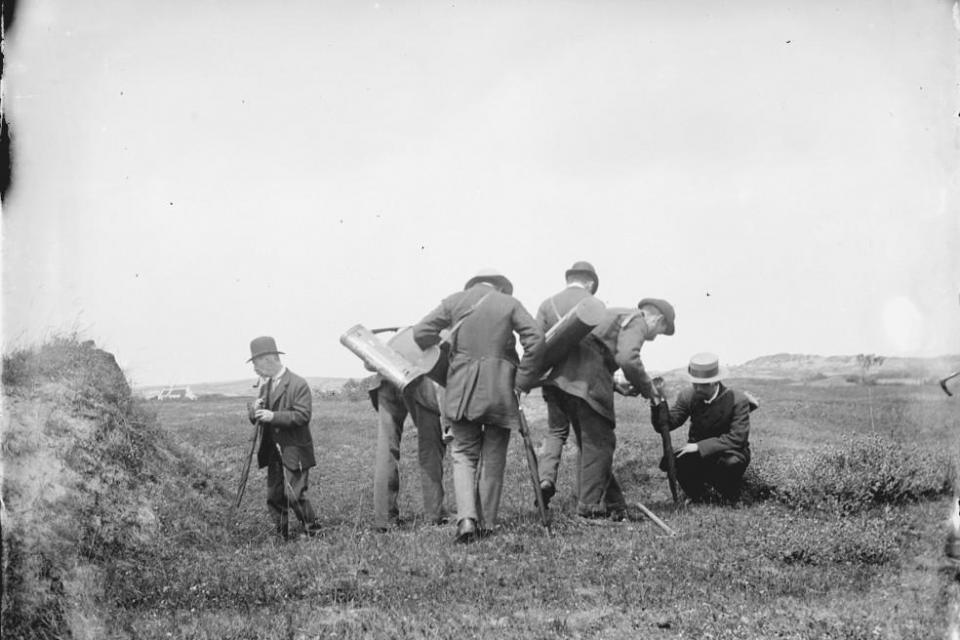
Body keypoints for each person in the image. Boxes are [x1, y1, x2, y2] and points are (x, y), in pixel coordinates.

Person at [412, 268, 545, 543]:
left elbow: (421, 332)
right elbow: (536, 339)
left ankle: (466, 521)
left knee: (462, 454)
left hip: (461, 389)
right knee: (494, 454)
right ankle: (487, 523)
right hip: (501, 389)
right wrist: (521, 379)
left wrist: (447, 354)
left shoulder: (454, 301)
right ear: (500, 286)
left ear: (472, 284)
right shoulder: (510, 303)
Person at [548, 298, 676, 520]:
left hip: (564, 380)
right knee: (600, 445)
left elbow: (595, 351)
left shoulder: (617, 314)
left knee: (593, 445)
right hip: (587, 382)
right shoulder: (638, 320)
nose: (655, 337)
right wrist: (648, 389)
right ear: (658, 318)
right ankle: (589, 510)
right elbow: (627, 358)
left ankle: (616, 506)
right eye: (661, 330)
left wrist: (617, 386)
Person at [535, 260, 600, 509]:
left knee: (555, 432)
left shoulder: (546, 304)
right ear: (590, 282)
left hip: (552, 381)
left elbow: (536, 343)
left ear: (568, 279)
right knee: (587, 437)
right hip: (584, 383)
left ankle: (546, 479)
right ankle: (587, 496)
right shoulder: (595, 305)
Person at [246, 336, 322, 539]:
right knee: (274, 496)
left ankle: (313, 530)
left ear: (269, 360)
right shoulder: (264, 386)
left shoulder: (298, 384)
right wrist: (254, 410)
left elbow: (303, 416)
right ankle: (282, 535)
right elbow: (257, 417)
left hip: (293, 449)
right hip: (273, 451)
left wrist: (273, 416)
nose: (255, 371)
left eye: (256, 366)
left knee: (295, 494)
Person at [651, 352, 752, 503]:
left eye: (701, 384)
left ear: (714, 382)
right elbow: (667, 424)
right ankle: (700, 496)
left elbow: (737, 438)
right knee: (674, 461)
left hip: (729, 452)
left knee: (731, 464)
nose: (696, 388)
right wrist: (656, 403)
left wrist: (699, 446)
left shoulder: (737, 399)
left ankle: (729, 494)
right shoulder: (688, 395)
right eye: (694, 383)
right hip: (699, 454)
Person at [367, 374, 449, 530]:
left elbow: (368, 364)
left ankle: (384, 519)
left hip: (385, 379)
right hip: (419, 380)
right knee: (430, 447)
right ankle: (435, 514)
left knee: (386, 448)